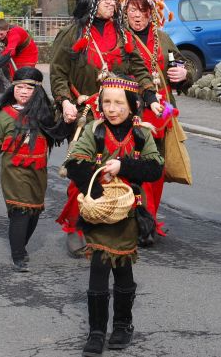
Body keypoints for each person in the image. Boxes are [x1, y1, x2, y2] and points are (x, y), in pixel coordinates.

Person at [49, 0, 158, 257]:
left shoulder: (122, 33)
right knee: (85, 170)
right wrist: (64, 101)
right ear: (92, 2)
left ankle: (120, 223)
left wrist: (150, 97)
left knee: (121, 169)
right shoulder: (72, 33)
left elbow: (140, 68)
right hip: (89, 111)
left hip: (121, 111)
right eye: (107, 0)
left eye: (113, 0)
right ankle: (76, 227)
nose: (113, 4)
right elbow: (59, 72)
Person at [63, 75, 164, 356]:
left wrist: (124, 166)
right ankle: (96, 332)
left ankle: (122, 325)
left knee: (123, 272)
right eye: (106, 102)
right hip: (99, 214)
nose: (112, 108)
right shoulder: (93, 131)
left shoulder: (142, 134)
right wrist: (97, 191)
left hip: (128, 214)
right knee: (98, 272)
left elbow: (155, 168)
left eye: (119, 103)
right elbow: (74, 164)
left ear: (132, 106)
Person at [0, 67, 75, 272]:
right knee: (20, 211)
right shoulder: (3, 115)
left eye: (29, 88)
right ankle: (18, 255)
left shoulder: (43, 113)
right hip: (14, 170)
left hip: (38, 171)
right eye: (19, 87)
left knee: (34, 212)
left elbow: (56, 134)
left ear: (37, 91)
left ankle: (20, 246)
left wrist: (69, 121)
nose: (23, 91)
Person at [120, 0, 193, 243]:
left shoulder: (162, 38)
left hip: (161, 114)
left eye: (143, 10)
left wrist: (184, 74)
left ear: (152, 13)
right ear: (124, 11)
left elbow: (183, 66)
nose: (137, 15)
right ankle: (134, 221)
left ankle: (149, 218)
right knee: (131, 168)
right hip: (129, 112)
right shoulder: (119, 38)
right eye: (132, 9)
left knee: (156, 169)